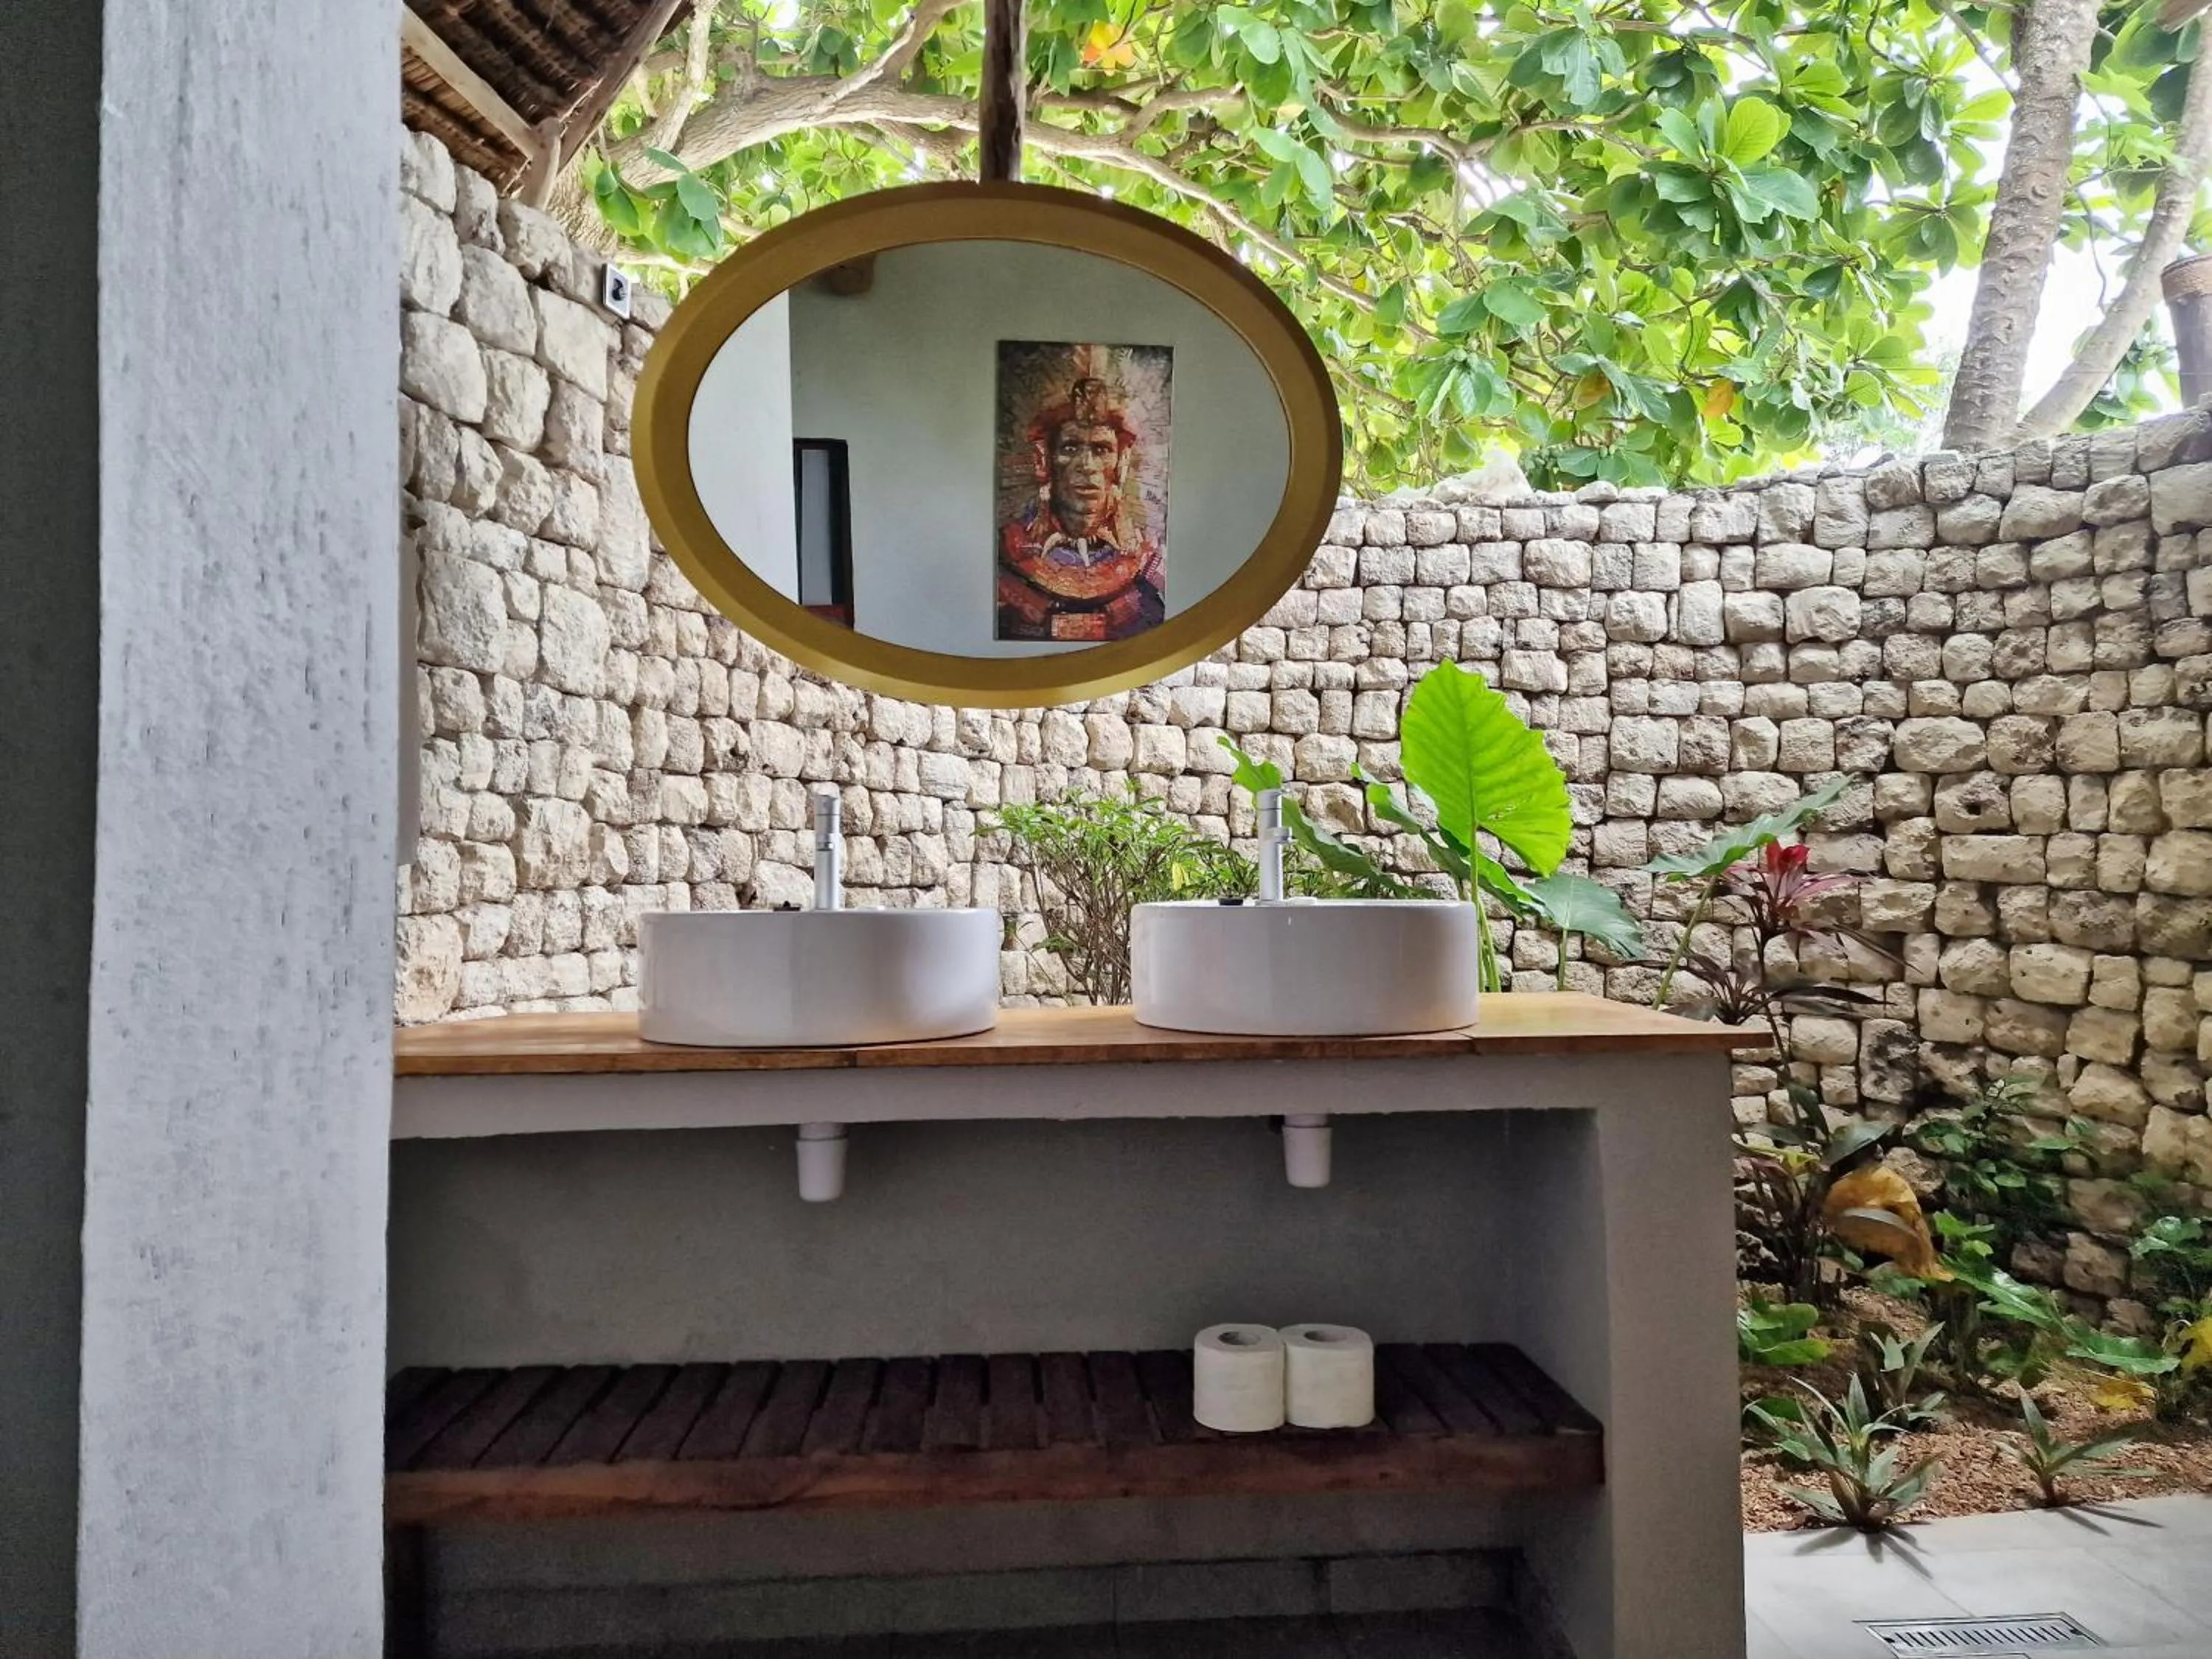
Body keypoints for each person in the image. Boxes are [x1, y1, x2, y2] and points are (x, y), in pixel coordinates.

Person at [996, 375, 1165, 641]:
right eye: (1070, 447)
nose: (1086, 466)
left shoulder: (1149, 559)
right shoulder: (1007, 551)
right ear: (1045, 461)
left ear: (1120, 463)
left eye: (1101, 449)